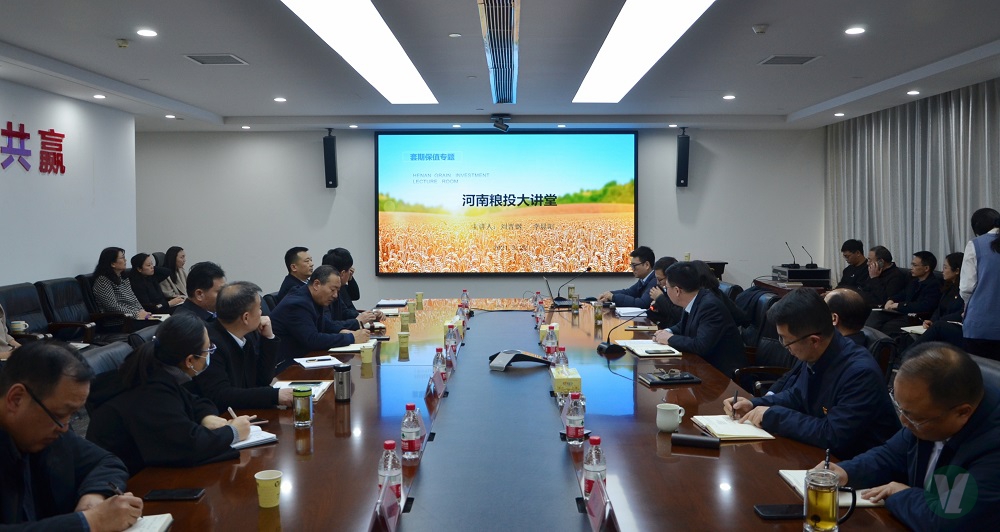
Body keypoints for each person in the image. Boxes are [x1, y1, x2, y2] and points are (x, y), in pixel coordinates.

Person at [822, 342, 1000, 530]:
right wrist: (846, 472)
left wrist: (899, 494)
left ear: (962, 412)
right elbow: (890, 456)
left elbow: (947, 521)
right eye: (901, 408)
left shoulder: (993, 448)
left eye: (915, 417)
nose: (903, 421)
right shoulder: (929, 415)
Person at [724, 288, 900, 459]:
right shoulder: (819, 351)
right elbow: (797, 396)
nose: (785, 347)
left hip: (856, 465)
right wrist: (754, 404)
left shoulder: (860, 373)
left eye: (786, 341)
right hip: (821, 456)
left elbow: (833, 435)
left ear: (814, 340)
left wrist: (773, 415)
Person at [86, 313, 253, 475]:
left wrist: (206, 417)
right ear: (190, 360)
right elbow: (187, 446)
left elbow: (196, 402)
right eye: (208, 349)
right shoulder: (151, 390)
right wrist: (233, 432)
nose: (210, 353)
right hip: (130, 478)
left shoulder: (160, 370)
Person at [0, 341, 143, 530]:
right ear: (16, 399)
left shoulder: (49, 431)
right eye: (60, 414)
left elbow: (107, 462)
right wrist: (91, 522)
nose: (65, 428)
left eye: (72, 415)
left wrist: (93, 497)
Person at [191, 281, 293, 411]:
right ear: (246, 318)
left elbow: (263, 379)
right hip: (225, 417)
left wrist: (268, 338)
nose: (262, 312)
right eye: (259, 308)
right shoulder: (210, 345)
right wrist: (275, 395)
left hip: (246, 411)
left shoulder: (247, 335)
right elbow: (221, 395)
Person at [651, 262, 747, 378]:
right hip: (702, 367)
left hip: (722, 375)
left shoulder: (710, 306)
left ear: (677, 291)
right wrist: (667, 331)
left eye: (666, 288)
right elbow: (683, 325)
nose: (665, 291)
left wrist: (669, 339)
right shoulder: (695, 299)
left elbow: (701, 346)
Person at [270, 266, 370, 371]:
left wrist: (342, 331)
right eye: (332, 290)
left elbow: (326, 324)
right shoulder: (298, 304)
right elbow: (312, 339)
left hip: (304, 358)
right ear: (316, 284)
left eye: (337, 291)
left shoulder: (312, 298)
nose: (335, 295)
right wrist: (351, 338)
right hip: (286, 367)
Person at [867, 251, 941, 334]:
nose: (911, 268)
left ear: (926, 268)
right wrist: (891, 300)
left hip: (915, 317)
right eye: (912, 264)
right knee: (875, 315)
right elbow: (903, 294)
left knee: (888, 326)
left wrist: (899, 305)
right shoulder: (914, 280)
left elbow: (924, 306)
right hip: (902, 312)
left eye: (915, 265)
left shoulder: (934, 285)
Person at [960, 207, 1000, 359]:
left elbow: (967, 288)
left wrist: (967, 307)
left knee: (980, 371)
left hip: (981, 324)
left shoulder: (976, 244)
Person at [913, 252, 965, 348]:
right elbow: (939, 309)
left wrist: (937, 321)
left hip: (955, 328)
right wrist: (931, 320)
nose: (942, 271)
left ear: (957, 271)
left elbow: (961, 313)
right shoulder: (949, 287)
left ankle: (906, 356)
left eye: (945, 267)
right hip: (939, 324)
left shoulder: (965, 291)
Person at [322, 248, 382, 326]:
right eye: (349, 270)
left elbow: (345, 311)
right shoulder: (326, 293)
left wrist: (369, 316)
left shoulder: (338, 288)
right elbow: (329, 325)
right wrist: (357, 321)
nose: (335, 294)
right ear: (342, 273)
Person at [91, 247, 152, 320]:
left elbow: (133, 299)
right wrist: (136, 314)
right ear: (113, 263)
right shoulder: (103, 281)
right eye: (122, 258)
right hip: (119, 320)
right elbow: (112, 306)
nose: (125, 260)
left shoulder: (123, 277)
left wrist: (142, 311)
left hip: (133, 317)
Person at [647, 256, 682, 328]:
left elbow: (679, 315)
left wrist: (660, 298)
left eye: (660, 279)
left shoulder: (682, 291)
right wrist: (655, 309)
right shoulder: (662, 289)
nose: (657, 283)